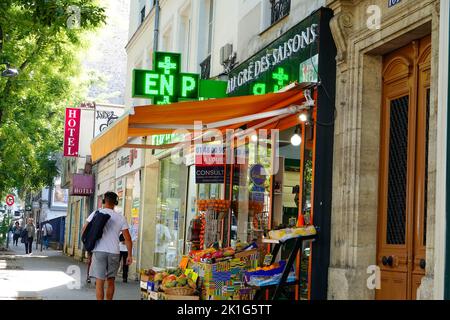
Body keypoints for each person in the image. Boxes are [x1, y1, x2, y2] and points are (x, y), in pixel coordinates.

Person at [81, 192, 132, 300]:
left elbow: (84, 230)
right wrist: (130, 255)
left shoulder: (96, 213)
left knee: (99, 282)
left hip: (99, 251)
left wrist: (88, 245)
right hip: (114, 252)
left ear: (104, 201)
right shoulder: (121, 218)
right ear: (116, 203)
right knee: (111, 281)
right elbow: (128, 238)